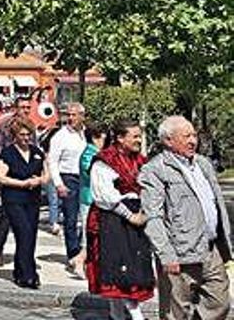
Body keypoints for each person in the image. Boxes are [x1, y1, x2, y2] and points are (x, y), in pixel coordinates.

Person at [139, 115, 233, 319]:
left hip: (210, 248)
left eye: (194, 135)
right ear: (168, 140)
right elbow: (152, 216)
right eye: (186, 136)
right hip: (179, 253)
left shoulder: (203, 164)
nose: (193, 140)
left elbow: (215, 202)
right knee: (176, 312)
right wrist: (166, 254)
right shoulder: (155, 170)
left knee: (221, 302)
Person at [85, 120, 154, 320]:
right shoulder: (104, 161)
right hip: (112, 219)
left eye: (139, 136)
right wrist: (130, 216)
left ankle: (116, 315)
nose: (138, 140)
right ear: (120, 138)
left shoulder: (141, 160)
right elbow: (104, 196)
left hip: (137, 214)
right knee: (119, 269)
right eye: (134, 136)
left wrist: (144, 212)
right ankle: (135, 316)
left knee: (132, 266)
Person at [0, 117, 48, 289]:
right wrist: (22, 183)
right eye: (22, 135)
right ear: (15, 136)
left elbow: (47, 175)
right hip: (14, 199)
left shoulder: (37, 152)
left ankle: (20, 271)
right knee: (24, 232)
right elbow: (1, 177)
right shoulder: (8, 153)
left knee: (30, 236)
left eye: (28, 135)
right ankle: (29, 274)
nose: (26, 138)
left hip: (32, 200)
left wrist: (39, 180)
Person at [47, 103, 87, 273]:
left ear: (82, 116)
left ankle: (82, 251)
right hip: (68, 177)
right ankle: (73, 254)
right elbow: (52, 161)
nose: (71, 118)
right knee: (70, 219)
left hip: (85, 178)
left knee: (85, 218)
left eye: (74, 115)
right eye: (68, 115)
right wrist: (58, 183)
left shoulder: (86, 134)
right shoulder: (60, 136)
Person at [74, 122, 106, 277]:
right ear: (95, 137)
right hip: (89, 199)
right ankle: (80, 261)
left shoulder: (95, 152)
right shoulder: (89, 153)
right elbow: (91, 172)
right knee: (89, 234)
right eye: (102, 136)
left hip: (96, 199)